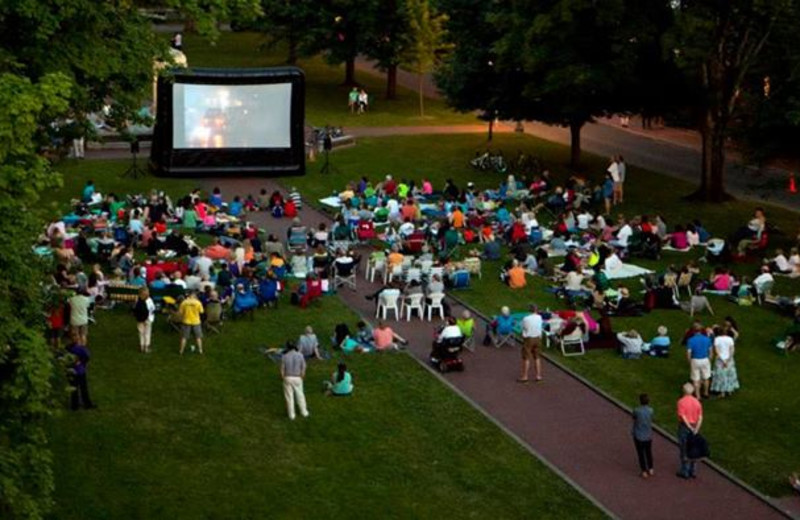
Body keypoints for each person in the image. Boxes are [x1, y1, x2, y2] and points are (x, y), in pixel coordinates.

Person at [676, 382, 703, 479]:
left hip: (685, 427)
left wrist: (689, 427)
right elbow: (700, 417)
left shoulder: (681, 402)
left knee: (684, 448)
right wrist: (696, 429)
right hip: (695, 425)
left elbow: (683, 417)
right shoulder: (697, 402)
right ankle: (693, 470)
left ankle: (685, 471)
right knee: (694, 448)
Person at [280, 341, 309, 420]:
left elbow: (282, 369)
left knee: (289, 397)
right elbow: (303, 367)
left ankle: (291, 415)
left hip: (288, 377)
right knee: (300, 395)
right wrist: (302, 375)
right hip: (297, 377)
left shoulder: (284, 356)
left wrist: (283, 377)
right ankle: (304, 412)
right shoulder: (300, 355)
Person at [67, 333, 95, 410]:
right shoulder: (80, 349)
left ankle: (74, 406)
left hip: (71, 371)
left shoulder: (67, 349)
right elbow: (87, 356)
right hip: (80, 371)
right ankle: (87, 404)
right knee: (83, 388)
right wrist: (83, 363)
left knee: (74, 389)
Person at [710, 327, 739, 397]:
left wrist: (723, 360)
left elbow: (717, 351)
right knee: (729, 374)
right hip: (729, 359)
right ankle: (729, 390)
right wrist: (728, 359)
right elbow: (732, 350)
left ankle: (722, 392)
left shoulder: (717, 339)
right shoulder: (730, 339)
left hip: (720, 360)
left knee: (720, 376)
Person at [686, 325, 712, 399]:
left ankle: (698, 396)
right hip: (705, 359)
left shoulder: (691, 340)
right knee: (706, 377)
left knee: (695, 378)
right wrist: (709, 359)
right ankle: (706, 393)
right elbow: (710, 351)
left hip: (695, 359)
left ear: (694, 331)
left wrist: (689, 361)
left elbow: (689, 353)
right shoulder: (707, 339)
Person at [518, 305, 543, 383]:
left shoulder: (526, 319)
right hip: (538, 338)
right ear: (536, 310)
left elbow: (523, 327)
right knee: (537, 357)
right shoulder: (539, 317)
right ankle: (538, 376)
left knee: (526, 357)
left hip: (529, 338)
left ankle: (525, 376)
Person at [632, 393, 654, 478]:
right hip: (648, 434)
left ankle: (644, 471)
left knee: (641, 453)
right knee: (648, 452)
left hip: (639, 435)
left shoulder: (637, 410)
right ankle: (651, 468)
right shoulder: (651, 410)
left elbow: (634, 417)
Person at [134, 287, 156, 353]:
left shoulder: (137, 300)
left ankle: (141, 346)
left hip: (139, 319)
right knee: (147, 332)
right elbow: (153, 309)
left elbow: (135, 309)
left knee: (141, 333)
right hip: (148, 318)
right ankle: (146, 347)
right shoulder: (150, 300)